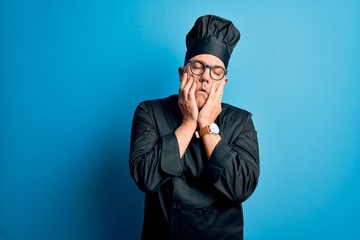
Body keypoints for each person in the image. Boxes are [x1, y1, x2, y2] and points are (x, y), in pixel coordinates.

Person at [129, 15, 260, 240]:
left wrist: (206, 125)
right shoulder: (149, 112)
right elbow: (146, 178)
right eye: (198, 67)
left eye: (216, 72)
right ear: (182, 74)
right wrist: (190, 122)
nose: (205, 78)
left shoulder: (241, 121)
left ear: (223, 83)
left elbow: (241, 188)